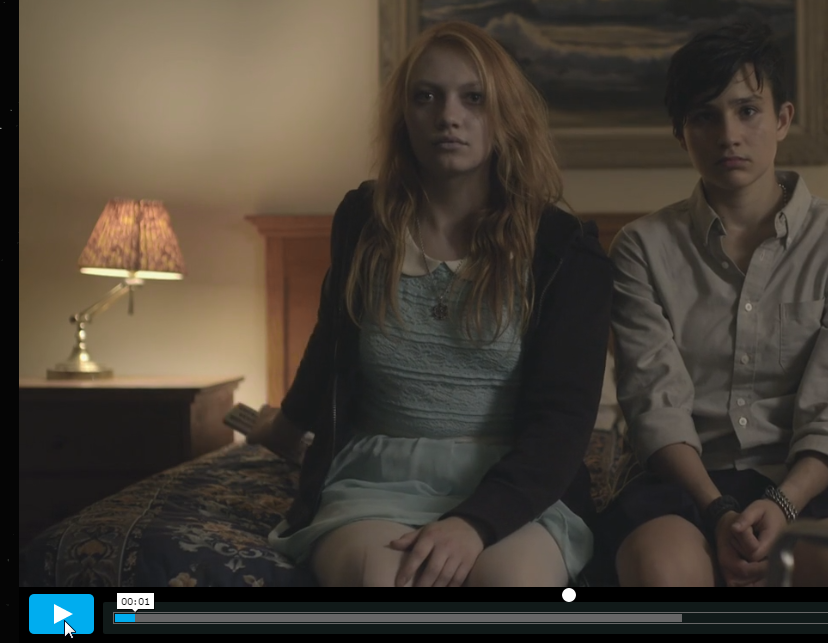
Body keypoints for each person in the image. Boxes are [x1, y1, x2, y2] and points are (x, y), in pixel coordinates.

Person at [248, 20, 613, 588]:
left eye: (474, 98)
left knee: (513, 585)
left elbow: (563, 422)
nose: (449, 116)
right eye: (427, 97)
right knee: (382, 579)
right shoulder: (363, 221)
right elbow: (330, 346)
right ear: (404, 116)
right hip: (375, 478)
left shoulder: (564, 249)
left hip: (514, 483)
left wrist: (474, 524)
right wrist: (285, 425)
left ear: (506, 115)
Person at [594, 19, 828, 588]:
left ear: (782, 119)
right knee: (661, 570)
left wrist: (783, 503)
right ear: (682, 133)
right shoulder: (641, 247)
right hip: (688, 477)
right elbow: (655, 403)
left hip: (809, 474)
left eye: (747, 111)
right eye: (705, 116)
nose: (728, 134)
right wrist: (717, 511)